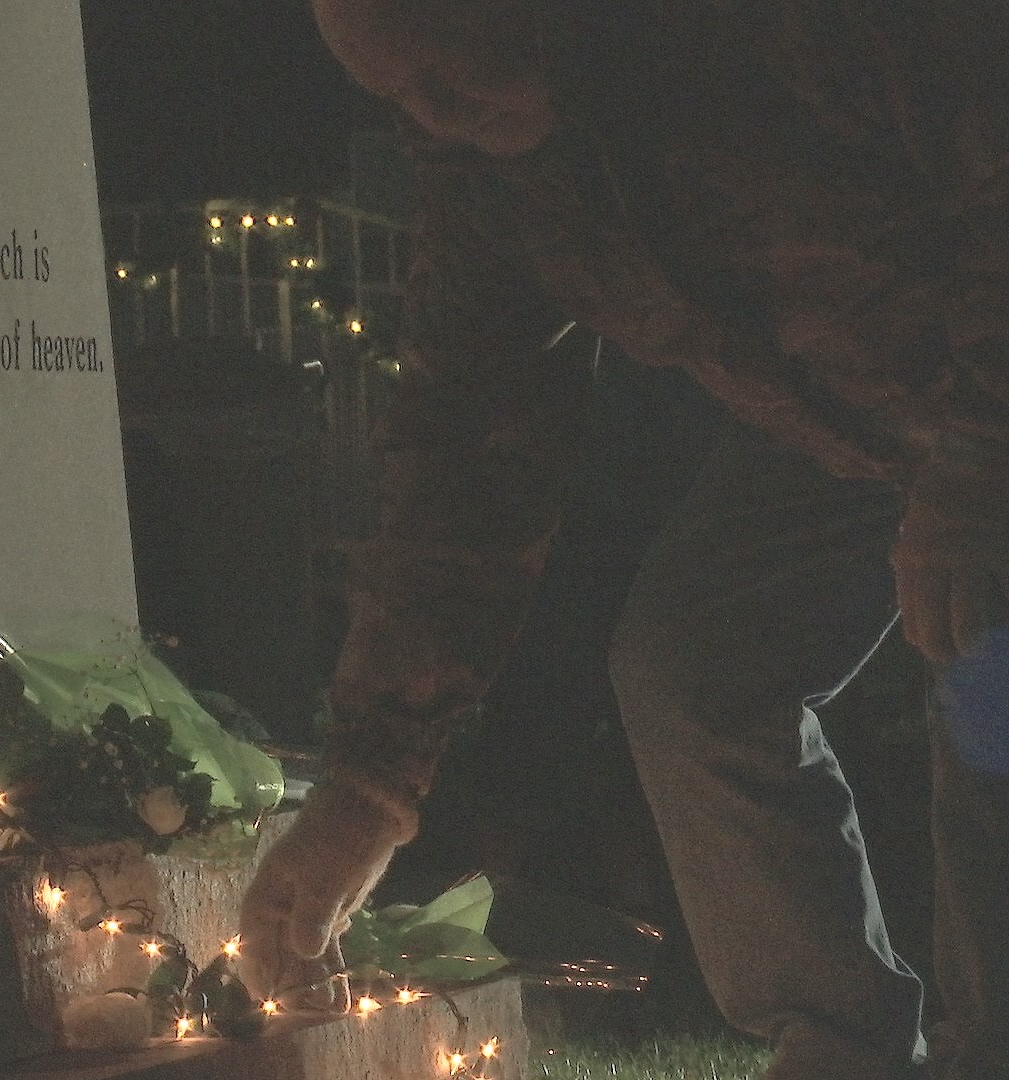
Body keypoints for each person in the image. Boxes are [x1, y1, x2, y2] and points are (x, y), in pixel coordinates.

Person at [237, 2, 1009, 1077]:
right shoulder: (493, 177)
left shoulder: (769, 36)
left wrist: (979, 473)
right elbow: (464, 457)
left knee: (988, 646)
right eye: (398, 98)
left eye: (446, 70)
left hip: (982, 384)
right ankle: (840, 1046)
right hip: (855, 422)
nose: (438, 116)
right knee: (694, 663)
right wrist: (370, 781)